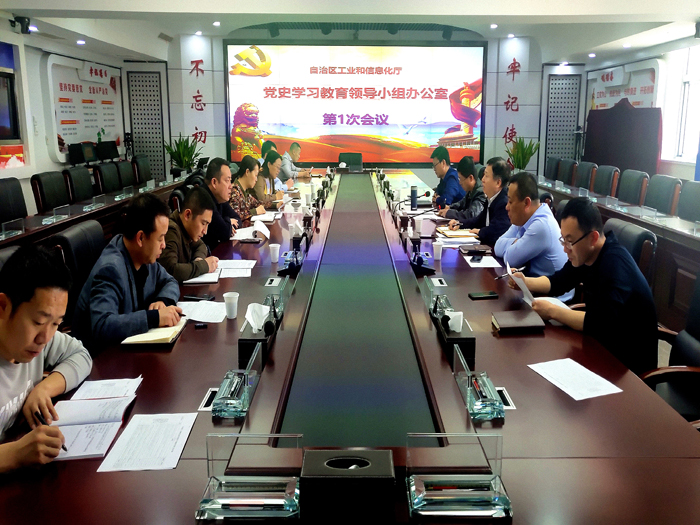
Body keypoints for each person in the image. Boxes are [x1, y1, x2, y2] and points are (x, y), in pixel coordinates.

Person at [508, 198, 658, 375]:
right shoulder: (586, 253)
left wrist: (553, 311)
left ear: (593, 238)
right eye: (563, 240)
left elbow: (599, 323)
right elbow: (559, 281)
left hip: (628, 366)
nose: (565, 249)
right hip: (601, 346)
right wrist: (525, 282)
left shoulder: (614, 265)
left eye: (569, 241)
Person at [0, 246, 92, 472]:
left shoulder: (36, 340)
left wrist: (43, 389)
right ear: (3, 307)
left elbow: (81, 355)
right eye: (38, 322)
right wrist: (15, 453)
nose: (45, 338)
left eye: (56, 324)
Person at [72, 193, 181, 350]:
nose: (164, 245)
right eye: (160, 238)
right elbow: (102, 325)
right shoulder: (110, 269)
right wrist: (154, 318)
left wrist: (162, 301)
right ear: (140, 238)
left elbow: (170, 281)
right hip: (103, 357)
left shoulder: (145, 257)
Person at [494, 172, 571, 300]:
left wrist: (513, 245)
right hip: (535, 291)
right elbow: (497, 245)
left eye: (511, 202)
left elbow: (510, 259)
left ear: (526, 203)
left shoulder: (541, 225)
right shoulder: (525, 217)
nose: (507, 207)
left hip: (554, 298)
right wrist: (517, 242)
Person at [159, 186, 219, 283]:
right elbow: (171, 270)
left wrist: (198, 259)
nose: (205, 231)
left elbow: (201, 245)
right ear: (187, 215)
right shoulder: (171, 230)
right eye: (203, 223)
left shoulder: (188, 230)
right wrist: (203, 266)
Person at [448, 157, 511, 246]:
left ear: (498, 182)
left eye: (486, 176)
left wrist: (480, 232)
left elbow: (497, 231)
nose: (482, 180)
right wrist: (460, 224)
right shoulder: (491, 198)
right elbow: (479, 220)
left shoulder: (504, 202)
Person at [201, 157, 241, 251]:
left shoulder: (220, 197)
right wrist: (228, 221)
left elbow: (237, 219)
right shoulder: (204, 199)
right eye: (227, 181)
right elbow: (224, 232)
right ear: (214, 182)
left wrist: (226, 222)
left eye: (231, 180)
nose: (230, 186)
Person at [438, 156, 486, 222]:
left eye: (461, 179)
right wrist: (449, 207)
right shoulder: (471, 190)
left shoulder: (481, 193)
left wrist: (449, 213)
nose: (460, 183)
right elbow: (461, 203)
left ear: (471, 178)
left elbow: (471, 214)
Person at [230, 155, 267, 221]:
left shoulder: (245, 192)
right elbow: (236, 216)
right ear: (247, 172)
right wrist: (255, 211)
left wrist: (275, 205)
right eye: (255, 175)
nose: (256, 179)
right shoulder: (234, 191)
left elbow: (258, 203)